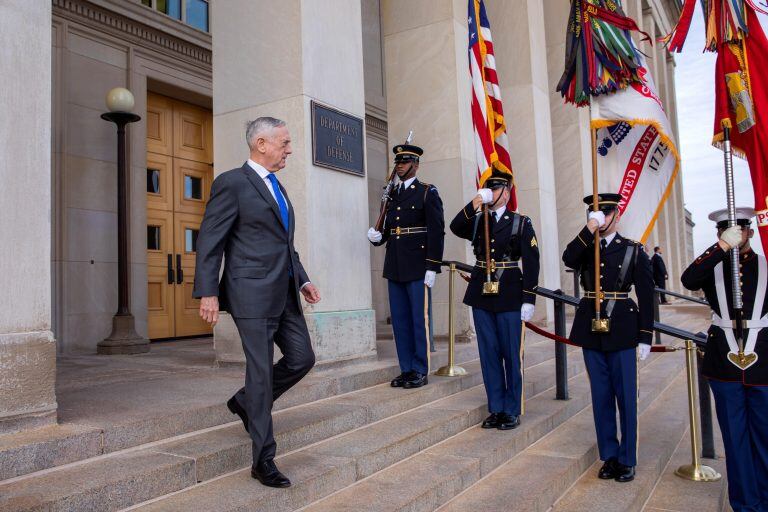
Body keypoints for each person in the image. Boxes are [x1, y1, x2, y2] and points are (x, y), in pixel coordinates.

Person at [192, 117, 320, 489]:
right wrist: (208, 291)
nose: (289, 149)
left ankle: (247, 402)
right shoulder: (232, 183)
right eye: (284, 142)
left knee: (302, 358)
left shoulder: (277, 186)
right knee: (261, 372)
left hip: (285, 292)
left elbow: (284, 243)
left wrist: (305, 279)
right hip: (250, 294)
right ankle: (263, 459)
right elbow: (210, 241)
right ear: (261, 144)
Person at [562, 193, 654, 483]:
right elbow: (568, 258)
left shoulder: (633, 250)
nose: (601, 218)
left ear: (617, 215)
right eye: (595, 214)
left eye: (606, 214)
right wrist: (589, 229)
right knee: (601, 396)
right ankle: (610, 455)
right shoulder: (585, 247)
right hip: (591, 325)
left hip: (623, 327)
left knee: (626, 396)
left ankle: (627, 458)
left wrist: (645, 336)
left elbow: (648, 296)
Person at [681, 207, 768, 512]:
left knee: (765, 438)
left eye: (741, 230)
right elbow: (688, 278)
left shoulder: (765, 263)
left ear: (751, 232)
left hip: (763, 363)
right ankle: (746, 505)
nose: (735, 235)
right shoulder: (714, 265)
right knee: (735, 441)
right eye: (726, 232)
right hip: (725, 364)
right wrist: (721, 248)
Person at [449, 166, 539, 430]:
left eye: (496, 189)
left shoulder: (521, 222)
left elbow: (532, 263)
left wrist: (529, 299)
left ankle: (512, 408)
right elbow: (456, 226)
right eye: (489, 188)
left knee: (511, 353)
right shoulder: (478, 220)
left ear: (507, 193)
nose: (492, 193)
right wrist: (476, 202)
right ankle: (496, 407)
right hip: (481, 294)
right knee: (489, 353)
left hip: (510, 292)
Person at [367, 144, 445, 389]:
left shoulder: (426, 192)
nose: (399, 166)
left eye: (405, 161)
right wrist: (379, 237)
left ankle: (420, 368)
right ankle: (406, 368)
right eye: (398, 162)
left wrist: (433, 266)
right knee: (400, 321)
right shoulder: (391, 194)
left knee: (417, 319)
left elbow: (437, 231)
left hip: (418, 264)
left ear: (416, 164)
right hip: (396, 264)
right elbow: (391, 229)